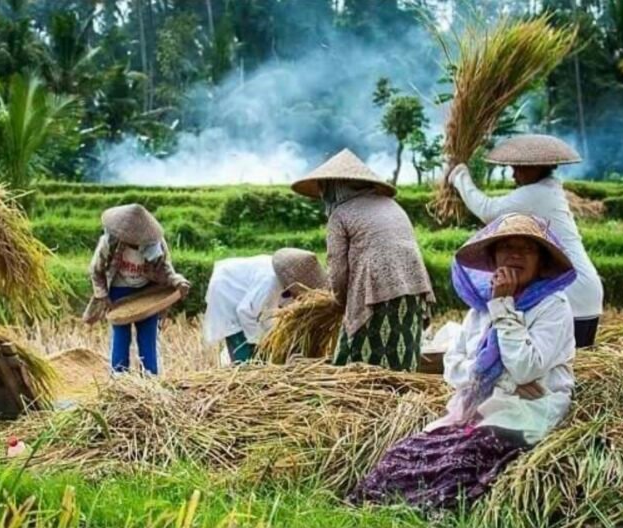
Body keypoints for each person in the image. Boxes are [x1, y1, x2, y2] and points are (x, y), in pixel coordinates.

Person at [351, 213, 577, 510]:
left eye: (528, 249)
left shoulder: (552, 307)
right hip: (472, 410)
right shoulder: (480, 309)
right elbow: (454, 364)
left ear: (542, 262)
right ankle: (381, 510)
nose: (516, 255)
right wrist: (500, 381)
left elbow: (526, 368)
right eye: (507, 247)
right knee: (402, 456)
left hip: (526, 413)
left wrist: (503, 306)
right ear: (494, 257)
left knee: (459, 464)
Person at [448, 134, 603, 347]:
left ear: (536, 168)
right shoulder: (547, 190)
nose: (514, 175)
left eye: (518, 168)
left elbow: (487, 210)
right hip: (583, 290)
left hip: (572, 292)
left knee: (559, 367)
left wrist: (459, 177)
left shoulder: (537, 193)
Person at [291, 148, 435, 371]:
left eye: (324, 188)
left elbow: (337, 269)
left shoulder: (341, 214)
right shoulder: (391, 205)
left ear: (333, 186)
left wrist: (337, 303)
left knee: (356, 365)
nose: (322, 194)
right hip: (414, 288)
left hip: (375, 292)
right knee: (401, 362)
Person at [82, 204, 190, 375]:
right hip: (118, 290)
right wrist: (102, 296)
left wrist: (178, 281)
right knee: (121, 337)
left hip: (147, 291)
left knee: (148, 337)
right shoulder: (109, 242)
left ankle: (150, 379)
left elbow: (166, 269)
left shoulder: (155, 245)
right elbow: (96, 271)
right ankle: (119, 378)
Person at [203, 248, 327, 363]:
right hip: (227, 289)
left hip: (248, 293)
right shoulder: (269, 283)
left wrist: (272, 336)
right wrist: (260, 342)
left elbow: (270, 313)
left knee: (261, 335)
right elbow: (245, 312)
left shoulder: (285, 283)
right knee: (241, 343)